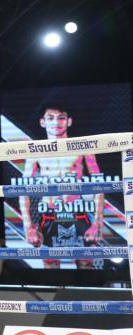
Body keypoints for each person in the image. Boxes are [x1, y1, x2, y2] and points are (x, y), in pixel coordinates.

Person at [18, 106, 105, 269]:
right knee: (51, 270)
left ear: (69, 121)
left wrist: (98, 223)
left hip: (78, 214)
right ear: (42, 122)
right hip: (49, 215)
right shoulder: (35, 152)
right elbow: (23, 191)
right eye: (50, 118)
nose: (56, 122)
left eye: (61, 117)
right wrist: (27, 227)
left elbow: (98, 186)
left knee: (87, 268)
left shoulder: (83, 148)